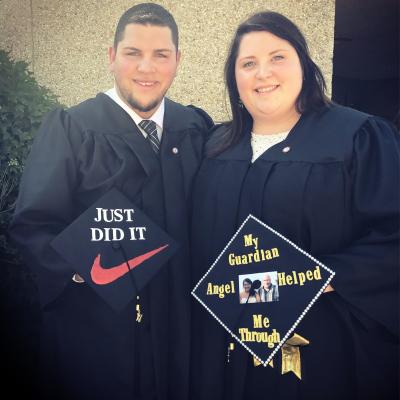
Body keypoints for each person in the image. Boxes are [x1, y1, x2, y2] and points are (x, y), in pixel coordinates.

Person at [190, 11, 398, 400]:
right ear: (234, 79)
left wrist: (304, 281)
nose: (263, 72)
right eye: (248, 63)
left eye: (278, 57)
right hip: (222, 347)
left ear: (304, 63)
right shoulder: (215, 146)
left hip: (318, 347)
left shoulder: (357, 137)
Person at [10, 3, 212, 400]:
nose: (146, 68)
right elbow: (33, 223)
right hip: (103, 328)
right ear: (111, 57)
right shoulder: (74, 128)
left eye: (161, 55)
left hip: (182, 323)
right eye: (133, 53)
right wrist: (82, 267)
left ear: (178, 60)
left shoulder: (195, 127)